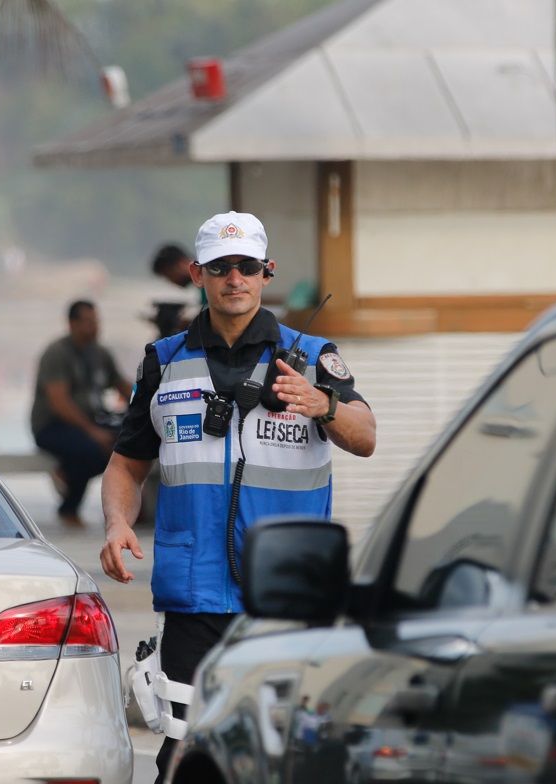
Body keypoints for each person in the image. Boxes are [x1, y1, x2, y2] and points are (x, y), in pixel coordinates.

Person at [102, 211, 377, 782]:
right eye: (221, 267)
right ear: (197, 274)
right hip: (194, 597)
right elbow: (126, 465)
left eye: (247, 267)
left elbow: (366, 437)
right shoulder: (163, 361)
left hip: (287, 598)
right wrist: (116, 523)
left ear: (266, 272)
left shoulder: (311, 355)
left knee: (290, 753)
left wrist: (323, 405)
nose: (235, 278)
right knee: (186, 754)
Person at [31, 300, 133, 527]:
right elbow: (59, 402)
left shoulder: (100, 354)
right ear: (72, 323)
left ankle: (133, 509)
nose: (93, 327)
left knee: (129, 443)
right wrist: (93, 432)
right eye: (87, 322)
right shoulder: (57, 353)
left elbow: (122, 385)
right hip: (53, 425)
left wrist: (144, 403)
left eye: (95, 321)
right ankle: (69, 508)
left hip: (92, 421)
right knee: (91, 451)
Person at [149, 243, 206, 338]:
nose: (171, 281)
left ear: (181, 263)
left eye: (169, 275)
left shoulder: (207, 280)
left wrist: (188, 321)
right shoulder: (203, 283)